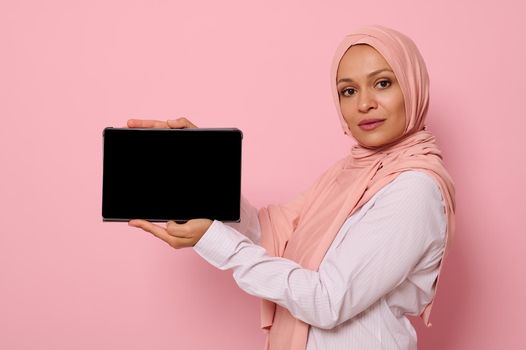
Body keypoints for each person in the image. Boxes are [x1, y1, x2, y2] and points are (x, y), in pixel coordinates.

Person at [127, 25, 455, 350]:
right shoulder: (348, 173)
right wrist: (207, 172)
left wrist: (217, 243)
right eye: (348, 91)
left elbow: (328, 301)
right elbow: (273, 234)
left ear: (412, 87)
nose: (364, 103)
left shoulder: (414, 188)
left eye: (382, 83)